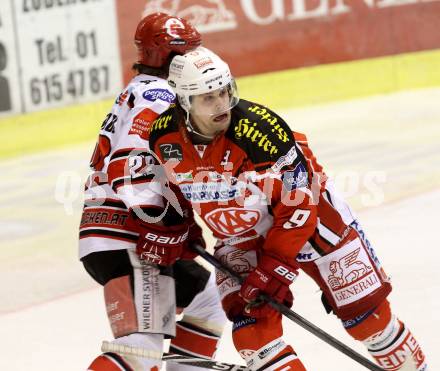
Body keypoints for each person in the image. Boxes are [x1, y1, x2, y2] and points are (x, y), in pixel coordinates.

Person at [147, 47, 428, 371]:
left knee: (370, 320)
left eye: (224, 91)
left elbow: (301, 204)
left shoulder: (260, 132)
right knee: (253, 337)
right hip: (241, 233)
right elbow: (172, 190)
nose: (222, 103)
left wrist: (275, 266)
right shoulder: (163, 137)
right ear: (184, 101)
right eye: (208, 97)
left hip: (314, 221)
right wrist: (178, 228)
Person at [79, 14, 227, 371]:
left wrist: (179, 223)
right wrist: (159, 222)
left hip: (115, 233)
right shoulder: (158, 95)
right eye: (186, 52)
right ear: (168, 56)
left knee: (210, 299)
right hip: (130, 237)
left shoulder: (144, 89)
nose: (193, 59)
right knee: (140, 350)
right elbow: (127, 166)